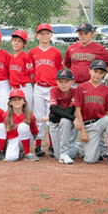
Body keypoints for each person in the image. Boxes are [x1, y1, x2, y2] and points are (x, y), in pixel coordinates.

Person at [72, 60, 108, 166]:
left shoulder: (107, 90)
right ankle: (82, 147)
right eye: (96, 71)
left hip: (101, 120)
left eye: (101, 72)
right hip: (89, 125)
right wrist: (83, 132)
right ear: (90, 71)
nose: (98, 75)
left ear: (104, 74)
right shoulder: (81, 87)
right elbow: (77, 110)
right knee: (90, 160)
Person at [29, 24, 64, 157]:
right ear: (37, 35)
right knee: (39, 117)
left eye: (47, 33)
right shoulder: (32, 52)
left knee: (52, 117)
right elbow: (32, 72)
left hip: (52, 88)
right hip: (38, 87)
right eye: (41, 33)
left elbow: (59, 70)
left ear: (51, 35)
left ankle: (53, 145)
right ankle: (38, 146)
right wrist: (35, 85)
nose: (44, 36)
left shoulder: (55, 52)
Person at [9, 29, 38, 152]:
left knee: (25, 113)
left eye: (19, 41)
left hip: (24, 88)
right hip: (13, 89)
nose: (16, 43)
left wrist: (28, 88)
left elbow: (31, 76)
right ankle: (15, 139)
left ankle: (27, 140)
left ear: (24, 44)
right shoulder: (10, 57)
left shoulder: (26, 57)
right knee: (13, 114)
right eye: (14, 40)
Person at [48, 69, 82, 164]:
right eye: (61, 81)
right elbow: (54, 110)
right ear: (56, 82)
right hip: (55, 123)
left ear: (72, 82)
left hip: (67, 122)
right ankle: (77, 148)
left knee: (65, 120)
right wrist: (74, 118)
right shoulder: (54, 90)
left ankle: (64, 153)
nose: (64, 84)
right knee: (57, 156)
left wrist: (60, 113)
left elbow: (70, 110)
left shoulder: (75, 91)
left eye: (67, 81)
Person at [3, 88, 40, 162]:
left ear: (24, 101)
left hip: (26, 139)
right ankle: (20, 152)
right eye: (14, 100)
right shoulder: (5, 115)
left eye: (19, 99)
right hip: (12, 140)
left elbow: (35, 132)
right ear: (10, 102)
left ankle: (27, 152)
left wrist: (29, 141)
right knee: (10, 158)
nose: (17, 101)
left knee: (23, 126)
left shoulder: (29, 115)